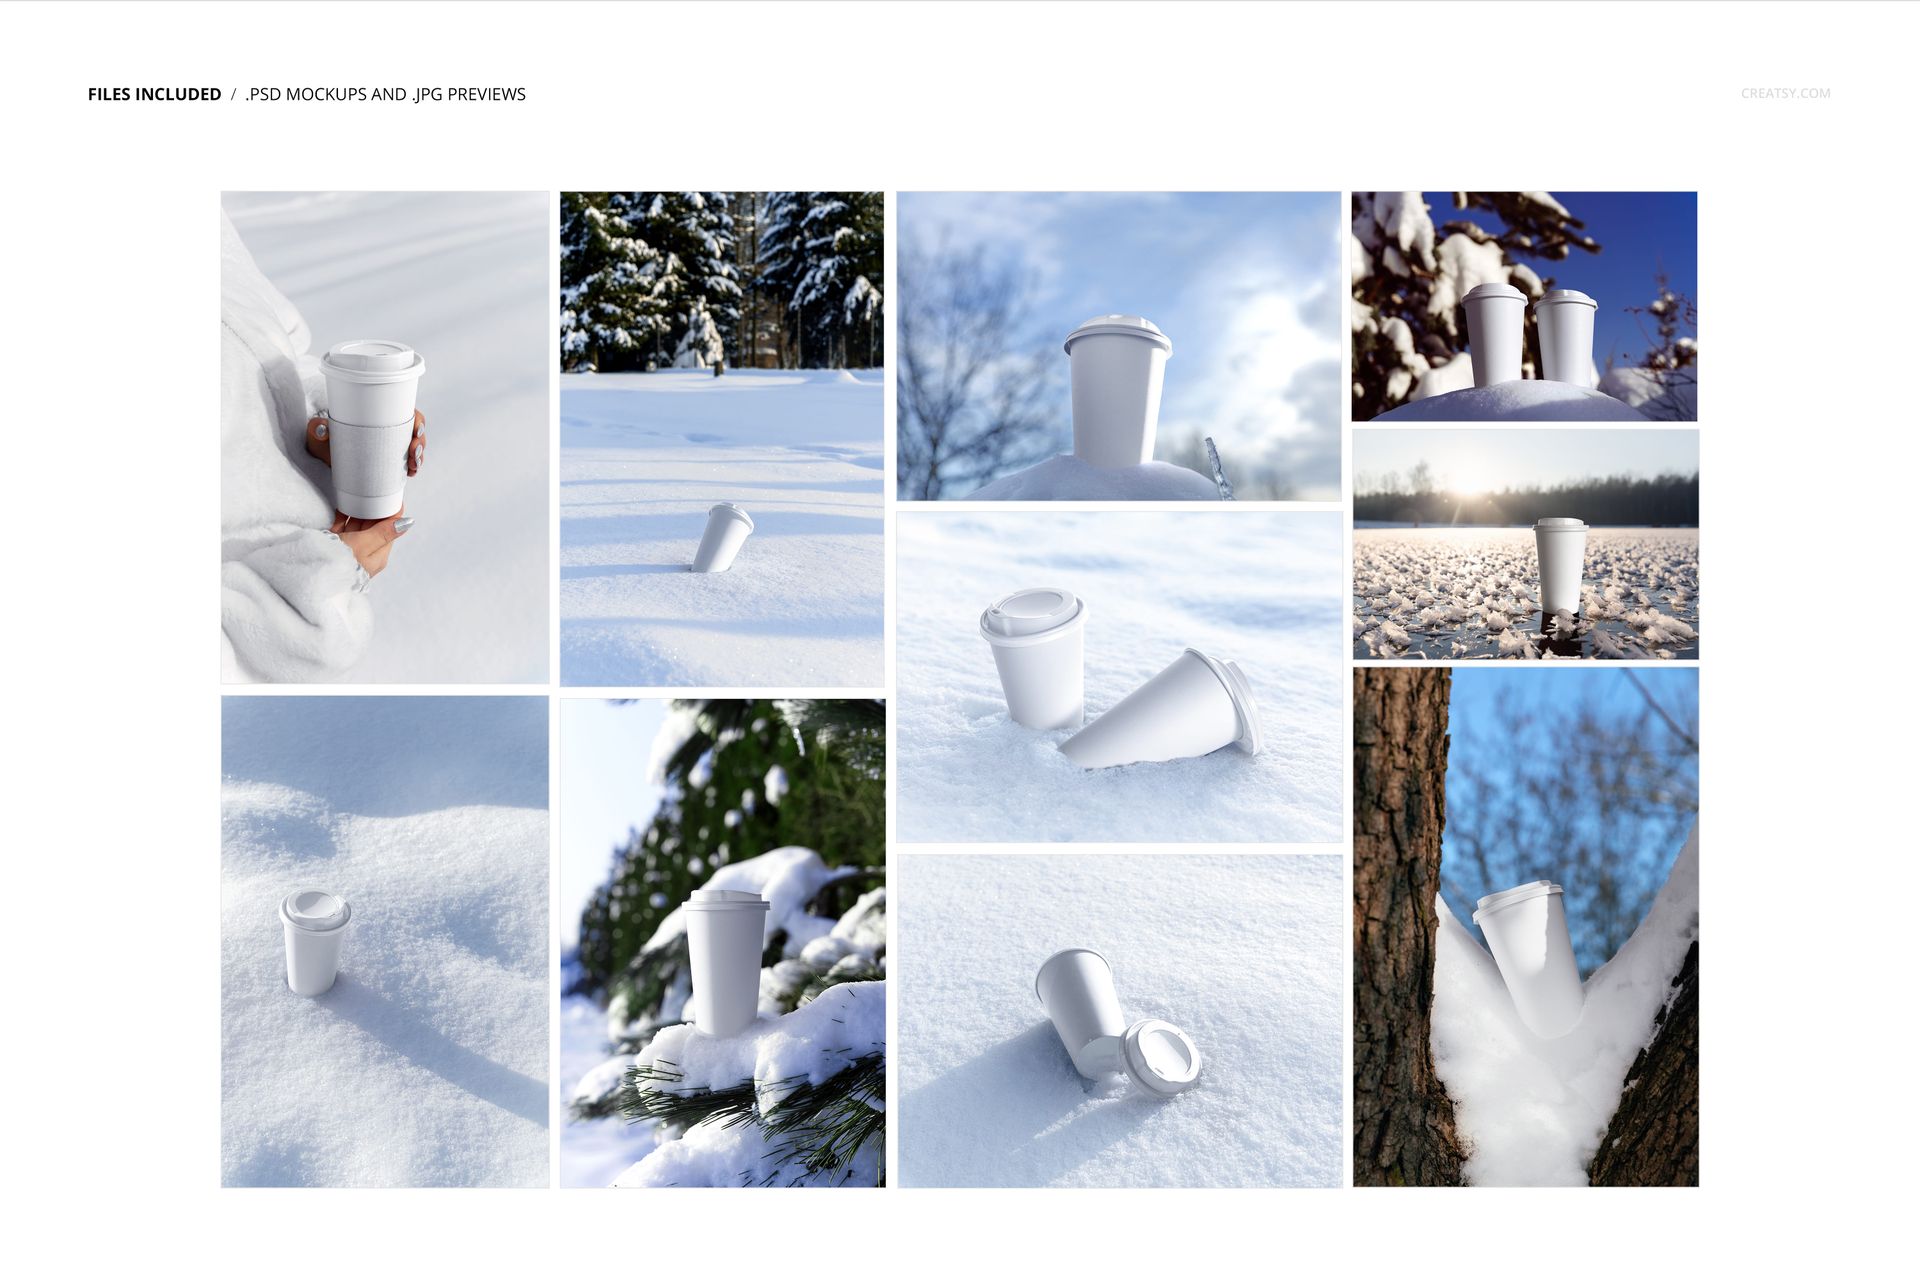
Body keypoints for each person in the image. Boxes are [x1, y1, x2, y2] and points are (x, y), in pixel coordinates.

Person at [220, 211, 425, 681]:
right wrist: (300, 605)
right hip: (278, 678)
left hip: (350, 591)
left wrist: (331, 420)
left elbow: (286, 349)